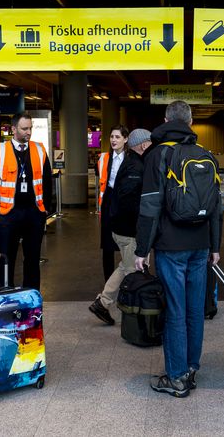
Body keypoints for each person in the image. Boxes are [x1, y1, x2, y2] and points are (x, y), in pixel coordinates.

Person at [134, 100, 222, 398]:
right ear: (191, 121)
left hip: (171, 246)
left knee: (175, 311)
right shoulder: (205, 154)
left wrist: (142, 249)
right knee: (195, 309)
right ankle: (192, 367)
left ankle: (177, 377)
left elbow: (150, 205)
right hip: (200, 245)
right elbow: (217, 207)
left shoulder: (158, 154)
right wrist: (215, 246)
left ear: (165, 119)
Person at [89, 128, 152, 325]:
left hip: (125, 227)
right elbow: (130, 202)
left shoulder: (132, 162)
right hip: (129, 229)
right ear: (143, 144)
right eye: (149, 143)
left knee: (126, 266)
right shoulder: (135, 166)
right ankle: (134, 314)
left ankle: (103, 302)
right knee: (133, 269)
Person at [0, 113, 52, 290]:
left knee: (32, 259)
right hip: (8, 214)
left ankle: (31, 298)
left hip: (34, 213)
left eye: (30, 128)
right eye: (25, 129)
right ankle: (5, 296)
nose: (29, 132)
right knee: (7, 258)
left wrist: (45, 208)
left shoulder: (39, 150)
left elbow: (47, 180)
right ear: (13, 129)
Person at [96, 125, 129, 282]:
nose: (114, 140)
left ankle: (127, 282)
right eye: (112, 137)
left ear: (125, 139)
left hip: (124, 202)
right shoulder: (104, 158)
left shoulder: (131, 159)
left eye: (117, 137)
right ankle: (108, 282)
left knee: (126, 244)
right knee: (107, 246)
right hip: (108, 201)